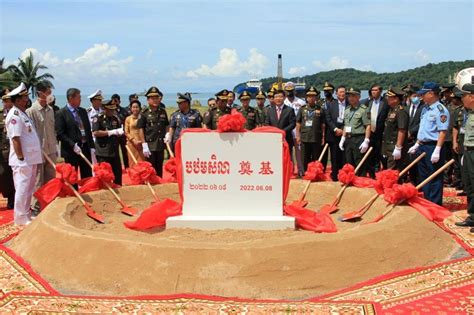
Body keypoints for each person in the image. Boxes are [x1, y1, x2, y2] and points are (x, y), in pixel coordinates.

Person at [5, 83, 42, 225]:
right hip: (23, 159)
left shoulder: (23, 113)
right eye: (25, 97)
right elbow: (15, 138)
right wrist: (21, 158)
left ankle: (26, 213)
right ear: (18, 99)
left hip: (31, 158)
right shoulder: (14, 115)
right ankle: (20, 217)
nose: (27, 99)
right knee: (22, 188)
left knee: (29, 187)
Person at [407, 82, 449, 205]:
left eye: (424, 94)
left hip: (434, 146)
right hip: (423, 145)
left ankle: (435, 204)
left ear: (431, 93)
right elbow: (423, 129)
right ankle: (427, 201)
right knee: (424, 176)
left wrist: (437, 149)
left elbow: (442, 131)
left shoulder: (440, 110)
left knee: (434, 177)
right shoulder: (425, 108)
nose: (421, 97)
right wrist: (417, 144)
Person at [26, 81, 57, 215]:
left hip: (51, 150)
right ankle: (36, 207)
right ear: (40, 93)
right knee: (38, 180)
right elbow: (29, 133)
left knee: (51, 180)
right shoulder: (31, 111)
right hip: (38, 152)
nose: (50, 95)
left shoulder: (50, 110)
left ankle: (49, 205)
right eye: (48, 92)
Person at [55, 88, 94, 180]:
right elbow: (60, 134)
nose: (80, 100)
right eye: (78, 97)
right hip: (71, 151)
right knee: (72, 177)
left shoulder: (83, 111)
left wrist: (92, 146)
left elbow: (88, 130)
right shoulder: (61, 113)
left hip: (85, 148)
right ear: (71, 98)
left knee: (87, 176)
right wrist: (73, 145)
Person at [454, 83, 474, 230]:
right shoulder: (469, 113)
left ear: (472, 97)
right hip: (467, 151)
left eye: (464, 96)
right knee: (469, 185)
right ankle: (472, 216)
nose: (462, 99)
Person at [137, 86, 169, 177]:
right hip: (149, 146)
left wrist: (167, 134)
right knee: (150, 169)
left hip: (160, 145)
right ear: (148, 100)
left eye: (157, 98)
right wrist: (144, 144)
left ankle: (159, 187)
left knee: (159, 169)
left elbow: (166, 124)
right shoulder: (144, 113)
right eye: (152, 98)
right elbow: (140, 129)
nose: (155, 100)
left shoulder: (163, 112)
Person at [339, 88, 371, 176]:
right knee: (349, 161)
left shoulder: (363, 109)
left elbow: (368, 125)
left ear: (359, 97)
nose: (351, 98)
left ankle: (361, 180)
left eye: (353, 96)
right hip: (348, 139)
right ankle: (351, 180)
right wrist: (343, 138)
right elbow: (346, 125)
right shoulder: (347, 110)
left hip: (359, 138)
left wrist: (366, 140)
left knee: (359, 161)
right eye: (349, 96)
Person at [92, 99, 123, 186]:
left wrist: (119, 132)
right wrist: (110, 132)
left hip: (114, 151)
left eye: (113, 109)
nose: (112, 111)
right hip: (103, 152)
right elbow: (96, 132)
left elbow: (118, 130)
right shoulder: (98, 118)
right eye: (110, 109)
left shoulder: (115, 119)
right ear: (104, 108)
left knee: (117, 174)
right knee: (105, 176)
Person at [296, 86, 326, 172]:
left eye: (313, 96)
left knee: (316, 157)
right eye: (309, 96)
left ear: (316, 97)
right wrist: (298, 135)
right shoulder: (302, 109)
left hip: (316, 137)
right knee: (305, 157)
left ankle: (315, 173)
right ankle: (305, 173)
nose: (311, 98)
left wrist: (323, 136)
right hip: (305, 137)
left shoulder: (320, 109)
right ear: (306, 97)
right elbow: (298, 123)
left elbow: (323, 124)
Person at [382, 87, 409, 171]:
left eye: (389, 97)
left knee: (393, 171)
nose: (387, 99)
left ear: (396, 99)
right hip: (389, 146)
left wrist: (398, 147)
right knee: (389, 169)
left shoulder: (401, 111)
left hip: (395, 146)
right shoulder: (392, 110)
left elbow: (402, 130)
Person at [366, 84, 389, 178]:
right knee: (371, 155)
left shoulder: (386, 103)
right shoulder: (369, 102)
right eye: (372, 90)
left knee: (382, 155)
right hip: (371, 133)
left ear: (380, 91)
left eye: (375, 90)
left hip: (381, 133)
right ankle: (372, 175)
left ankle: (385, 174)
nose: (373, 92)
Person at [265, 89, 296, 155]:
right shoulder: (270, 110)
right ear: (273, 99)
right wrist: (274, 132)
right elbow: (267, 123)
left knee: (287, 158)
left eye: (280, 96)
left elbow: (293, 124)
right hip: (273, 139)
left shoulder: (290, 110)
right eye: (276, 97)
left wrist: (282, 132)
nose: (278, 98)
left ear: (284, 98)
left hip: (286, 138)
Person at [284, 82, 306, 177]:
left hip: (298, 132)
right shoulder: (283, 102)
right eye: (288, 91)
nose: (289, 93)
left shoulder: (301, 102)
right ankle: (290, 171)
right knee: (288, 153)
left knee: (299, 152)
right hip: (287, 132)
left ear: (294, 91)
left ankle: (301, 170)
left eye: (291, 91)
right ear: (285, 91)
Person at [325, 85, 346, 181]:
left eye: (343, 92)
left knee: (344, 156)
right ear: (336, 93)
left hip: (345, 134)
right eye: (340, 92)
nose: (342, 94)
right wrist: (335, 129)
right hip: (333, 134)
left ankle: (343, 175)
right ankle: (335, 176)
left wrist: (343, 130)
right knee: (334, 156)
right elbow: (328, 118)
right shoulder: (330, 104)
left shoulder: (349, 104)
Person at [0, 89, 15, 209]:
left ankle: (13, 200)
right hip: (3, 151)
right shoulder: (1, 115)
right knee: (4, 174)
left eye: (8, 100)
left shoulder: (17, 113)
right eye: (4, 100)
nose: (6, 102)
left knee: (13, 176)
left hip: (14, 149)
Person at [406, 85, 424, 184]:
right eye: (413, 96)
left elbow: (422, 123)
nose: (414, 98)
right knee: (410, 163)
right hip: (407, 140)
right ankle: (412, 181)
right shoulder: (407, 108)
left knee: (418, 163)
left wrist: (411, 131)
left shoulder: (423, 108)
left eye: (416, 96)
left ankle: (419, 183)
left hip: (418, 139)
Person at [452, 88, 467, 191]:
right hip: (461, 142)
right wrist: (454, 141)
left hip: (470, 143)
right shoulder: (459, 111)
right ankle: (465, 187)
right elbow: (455, 127)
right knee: (462, 166)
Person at [124, 100, 145, 167]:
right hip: (132, 144)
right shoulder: (128, 119)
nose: (135, 109)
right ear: (131, 108)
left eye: (137, 107)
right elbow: (126, 132)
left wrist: (142, 142)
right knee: (132, 163)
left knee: (143, 163)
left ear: (140, 108)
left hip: (142, 144)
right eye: (133, 107)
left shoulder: (143, 118)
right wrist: (133, 140)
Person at [112, 93, 130, 169]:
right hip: (114, 135)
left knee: (125, 151)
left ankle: (127, 167)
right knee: (115, 152)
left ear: (120, 101)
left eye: (116, 100)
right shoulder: (110, 111)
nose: (115, 102)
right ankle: (117, 167)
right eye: (113, 101)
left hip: (123, 134)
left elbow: (128, 122)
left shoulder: (124, 111)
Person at [321, 82, 337, 171]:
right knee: (323, 154)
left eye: (329, 90)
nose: (327, 92)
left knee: (334, 154)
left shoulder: (336, 102)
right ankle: (322, 170)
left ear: (333, 91)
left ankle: (334, 171)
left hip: (333, 132)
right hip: (323, 132)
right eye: (325, 90)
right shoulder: (320, 102)